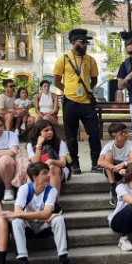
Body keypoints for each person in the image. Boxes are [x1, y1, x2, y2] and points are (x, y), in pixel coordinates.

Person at [0, 161, 75, 264]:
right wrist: (39, 216)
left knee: (59, 219)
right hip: (29, 225)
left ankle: (63, 262)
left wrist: (35, 215)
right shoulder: (24, 189)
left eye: (48, 172)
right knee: (16, 222)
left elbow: (45, 213)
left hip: (44, 226)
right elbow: (18, 211)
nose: (49, 176)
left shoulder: (51, 190)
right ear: (35, 177)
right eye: (45, 173)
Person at [53, 28, 101, 175]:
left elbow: (94, 80)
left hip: (87, 103)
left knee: (94, 133)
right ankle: (75, 164)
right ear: (74, 43)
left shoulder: (90, 60)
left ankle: (96, 163)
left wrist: (87, 90)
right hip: (70, 103)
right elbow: (56, 81)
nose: (85, 45)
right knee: (71, 135)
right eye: (83, 42)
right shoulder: (63, 59)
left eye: (87, 43)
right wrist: (67, 91)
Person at [99, 122, 132, 206]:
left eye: (126, 132)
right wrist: (116, 168)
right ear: (114, 135)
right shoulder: (109, 145)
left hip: (127, 171)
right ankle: (112, 186)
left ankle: (128, 184)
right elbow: (100, 161)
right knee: (108, 155)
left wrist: (123, 164)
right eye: (123, 133)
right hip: (113, 171)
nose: (126, 134)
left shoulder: (130, 144)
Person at [26, 119, 71, 191]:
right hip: (39, 171)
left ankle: (53, 200)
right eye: (46, 130)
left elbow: (63, 163)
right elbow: (35, 162)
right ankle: (33, 199)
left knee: (53, 168)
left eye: (51, 130)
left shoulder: (59, 142)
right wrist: (39, 145)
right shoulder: (30, 145)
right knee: (31, 175)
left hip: (58, 171)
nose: (50, 132)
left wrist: (51, 161)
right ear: (38, 133)